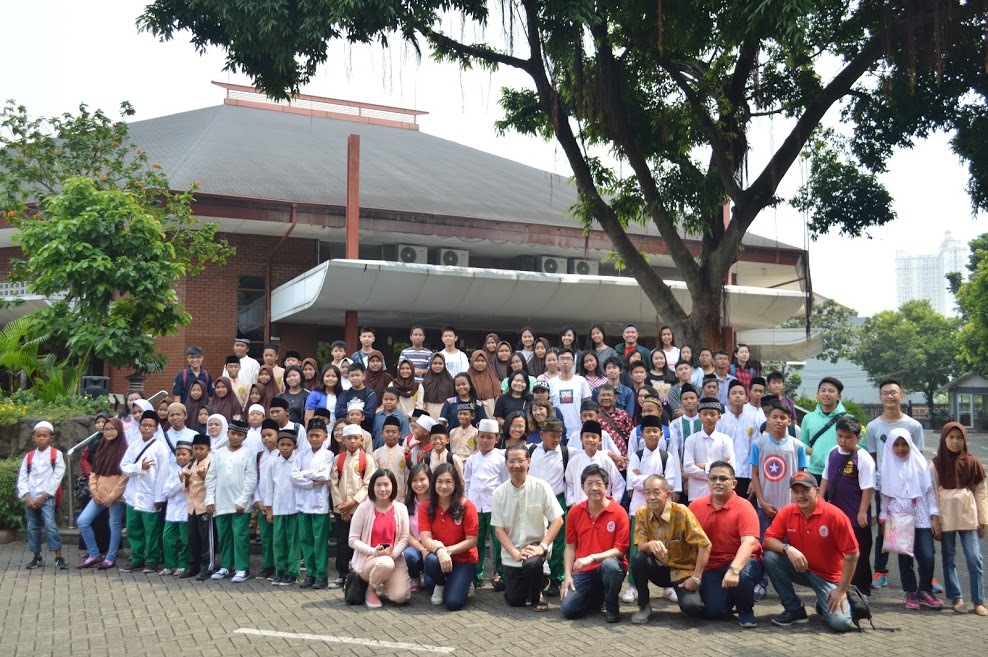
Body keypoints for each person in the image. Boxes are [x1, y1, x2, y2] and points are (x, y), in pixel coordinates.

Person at [762, 471, 858, 631]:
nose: (800, 495)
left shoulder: (835, 516)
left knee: (840, 624)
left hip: (829, 578)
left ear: (817, 491)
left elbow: (852, 554)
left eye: (805, 490)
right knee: (771, 557)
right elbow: (767, 540)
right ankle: (794, 610)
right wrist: (787, 548)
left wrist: (841, 590)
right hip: (802, 569)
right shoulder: (787, 512)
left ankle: (824, 602)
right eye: (796, 491)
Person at [865, 378, 925, 588]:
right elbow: (872, 459)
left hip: (910, 489)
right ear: (880, 397)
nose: (890, 396)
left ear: (902, 395)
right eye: (885, 393)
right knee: (884, 528)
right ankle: (880, 571)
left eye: (893, 392)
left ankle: (924, 572)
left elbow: (919, 458)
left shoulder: (913, 425)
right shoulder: (873, 427)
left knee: (913, 529)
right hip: (885, 488)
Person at [689, 462, 763, 627]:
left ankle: (746, 610)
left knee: (742, 576)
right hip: (712, 566)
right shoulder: (695, 506)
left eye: (723, 479)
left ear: (734, 483)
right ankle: (731, 597)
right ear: (708, 481)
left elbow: (749, 543)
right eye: (713, 478)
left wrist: (734, 570)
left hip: (743, 561)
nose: (718, 482)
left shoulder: (744, 507)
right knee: (714, 613)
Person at [492, 442, 565, 611]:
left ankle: (537, 591)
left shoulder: (542, 487)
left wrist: (543, 547)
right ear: (506, 464)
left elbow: (557, 520)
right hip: (512, 553)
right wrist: (516, 554)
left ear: (529, 462)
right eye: (511, 461)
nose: (516, 465)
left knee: (532, 565)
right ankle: (534, 582)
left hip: (535, 548)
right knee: (515, 600)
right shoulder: (498, 493)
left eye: (520, 460)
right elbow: (499, 529)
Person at [629, 474, 710, 624]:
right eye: (647, 492)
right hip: (660, 569)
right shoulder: (642, 513)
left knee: (693, 608)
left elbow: (705, 544)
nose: (651, 497)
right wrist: (649, 545)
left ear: (668, 494)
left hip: (683, 571)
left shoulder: (681, 512)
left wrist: (696, 578)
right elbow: (640, 545)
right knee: (638, 559)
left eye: (656, 492)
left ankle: (695, 594)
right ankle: (644, 607)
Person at [880, 428, 944, 610]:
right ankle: (910, 592)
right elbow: (884, 496)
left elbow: (930, 492)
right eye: (897, 444)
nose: (901, 448)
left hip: (921, 516)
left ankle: (925, 590)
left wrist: (934, 516)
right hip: (898, 518)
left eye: (904, 444)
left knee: (927, 555)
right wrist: (883, 519)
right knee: (905, 558)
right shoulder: (887, 467)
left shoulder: (920, 464)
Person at [749, 400, 807, 599]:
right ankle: (762, 583)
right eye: (774, 417)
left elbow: (802, 478)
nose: (779, 421)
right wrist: (762, 502)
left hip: (789, 508)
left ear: (790, 420)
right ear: (768, 418)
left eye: (783, 418)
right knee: (764, 545)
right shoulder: (759, 444)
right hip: (765, 506)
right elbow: (755, 475)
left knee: (788, 546)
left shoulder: (797, 445)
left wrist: (795, 505)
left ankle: (787, 585)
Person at [560, 463, 630, 622]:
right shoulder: (574, 512)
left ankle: (611, 603)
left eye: (598, 484)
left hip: (608, 567)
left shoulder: (619, 512)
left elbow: (620, 550)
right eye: (589, 484)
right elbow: (570, 547)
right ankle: (596, 597)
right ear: (582, 487)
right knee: (567, 609)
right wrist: (567, 575)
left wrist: (592, 557)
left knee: (610, 565)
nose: (594, 488)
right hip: (584, 571)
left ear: (606, 487)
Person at [623, 415, 681, 605]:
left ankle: (668, 586)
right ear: (642, 434)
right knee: (636, 549)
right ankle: (632, 587)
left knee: (665, 546)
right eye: (648, 431)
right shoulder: (636, 456)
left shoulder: (667, 456)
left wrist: (645, 479)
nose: (652, 434)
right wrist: (658, 480)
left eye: (655, 431)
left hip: (663, 510)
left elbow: (670, 482)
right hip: (638, 509)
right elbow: (632, 480)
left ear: (661, 433)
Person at [931, 422, 988, 615]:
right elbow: (931, 493)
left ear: (964, 440)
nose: (955, 442)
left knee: (974, 558)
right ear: (944, 439)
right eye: (951, 437)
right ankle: (956, 598)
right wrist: (935, 519)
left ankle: (979, 601)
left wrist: (983, 519)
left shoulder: (972, 462)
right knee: (948, 558)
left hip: (968, 516)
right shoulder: (936, 463)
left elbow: (981, 493)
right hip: (946, 517)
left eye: (959, 438)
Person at [820, 416, 876, 598]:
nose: (843, 441)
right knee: (836, 550)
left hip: (855, 514)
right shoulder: (833, 452)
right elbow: (826, 478)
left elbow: (868, 487)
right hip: (836, 512)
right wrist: (820, 500)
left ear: (858, 438)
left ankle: (863, 588)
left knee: (859, 551)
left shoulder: (863, 457)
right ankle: (839, 583)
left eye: (848, 437)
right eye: (840, 436)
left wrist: (862, 512)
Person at [420, 463, 481, 610]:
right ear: (434, 483)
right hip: (439, 558)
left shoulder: (466, 506)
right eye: (439, 481)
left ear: (456, 484)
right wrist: (440, 551)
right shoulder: (426, 506)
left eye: (448, 482)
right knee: (431, 563)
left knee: (453, 603)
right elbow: (425, 538)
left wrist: (447, 550)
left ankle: (467, 582)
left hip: (464, 559)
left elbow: (472, 540)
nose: (444, 486)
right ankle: (441, 584)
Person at [349, 468, 412, 608]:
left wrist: (394, 554)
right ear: (372, 487)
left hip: (393, 558)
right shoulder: (364, 508)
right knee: (385, 563)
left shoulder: (401, 509)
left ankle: (383, 580)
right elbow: (352, 540)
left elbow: (404, 538)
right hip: (369, 560)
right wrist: (374, 552)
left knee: (401, 597)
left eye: (386, 484)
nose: (382, 489)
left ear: (393, 486)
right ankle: (371, 589)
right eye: (378, 485)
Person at [205, 418, 258, 584]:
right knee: (224, 536)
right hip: (221, 502)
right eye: (233, 433)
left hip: (239, 505)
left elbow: (251, 479)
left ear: (244, 437)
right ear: (228, 434)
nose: (235, 437)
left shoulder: (248, 453)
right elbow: (211, 477)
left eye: (240, 435)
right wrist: (209, 499)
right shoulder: (218, 453)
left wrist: (243, 500)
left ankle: (242, 568)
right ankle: (226, 566)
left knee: (240, 536)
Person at [76, 418, 129, 570]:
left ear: (119, 430)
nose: (109, 432)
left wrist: (113, 496)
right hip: (98, 494)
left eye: (112, 429)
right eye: (106, 429)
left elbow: (124, 477)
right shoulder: (101, 447)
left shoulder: (124, 449)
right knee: (83, 521)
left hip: (116, 497)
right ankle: (94, 554)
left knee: (114, 525)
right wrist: (93, 490)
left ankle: (110, 558)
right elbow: (94, 472)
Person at [120, 411, 170, 573]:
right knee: (134, 528)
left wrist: (159, 497)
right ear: (139, 427)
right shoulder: (134, 444)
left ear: (156, 429)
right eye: (144, 425)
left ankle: (153, 559)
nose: (146, 428)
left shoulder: (160, 447)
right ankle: (137, 558)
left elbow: (163, 474)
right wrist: (138, 468)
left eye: (150, 426)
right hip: (133, 495)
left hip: (151, 495)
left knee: (152, 530)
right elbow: (124, 466)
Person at [328, 423, 376, 589]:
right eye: (349, 438)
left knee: (360, 542)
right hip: (342, 510)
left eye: (356, 438)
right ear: (343, 440)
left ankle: (358, 574)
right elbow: (333, 484)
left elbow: (368, 484)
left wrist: (352, 503)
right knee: (342, 541)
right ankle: (342, 574)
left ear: (362, 439)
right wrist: (341, 506)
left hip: (359, 509)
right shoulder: (338, 459)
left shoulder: (367, 459)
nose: (353, 441)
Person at [464, 418, 508, 590]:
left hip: (494, 506)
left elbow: (505, 482)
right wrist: (467, 503)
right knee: (477, 541)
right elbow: (467, 482)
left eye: (489, 437)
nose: (485, 440)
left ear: (496, 439)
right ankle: (477, 574)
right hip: (475, 506)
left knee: (498, 542)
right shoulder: (472, 460)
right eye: (482, 437)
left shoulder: (501, 458)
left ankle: (501, 574)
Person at [17, 421, 67, 571]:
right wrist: (26, 497)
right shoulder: (30, 456)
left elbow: (57, 477)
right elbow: (23, 477)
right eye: (38, 436)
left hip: (47, 497)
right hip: (30, 498)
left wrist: (44, 496)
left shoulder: (56, 454)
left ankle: (58, 556)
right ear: (33, 437)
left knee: (50, 525)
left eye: (45, 436)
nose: (41, 438)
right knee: (32, 526)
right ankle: (36, 556)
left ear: (51, 437)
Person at [528, 417, 569, 597]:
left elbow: (591, 452)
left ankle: (556, 579)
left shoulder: (567, 452)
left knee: (558, 542)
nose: (557, 439)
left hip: (556, 500)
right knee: (535, 537)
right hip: (534, 500)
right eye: (552, 435)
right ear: (542, 434)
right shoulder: (531, 450)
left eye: (559, 435)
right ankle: (537, 576)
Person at [296, 417, 333, 589]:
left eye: (318, 435)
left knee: (319, 542)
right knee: (306, 540)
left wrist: (305, 474)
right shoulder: (301, 454)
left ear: (325, 436)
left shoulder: (328, 455)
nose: (314, 438)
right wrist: (311, 481)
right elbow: (293, 477)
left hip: (320, 506)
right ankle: (310, 573)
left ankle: (321, 575)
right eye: (311, 435)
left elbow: (325, 475)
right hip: (303, 504)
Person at [265, 428, 302, 586]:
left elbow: (301, 485)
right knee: (278, 541)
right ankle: (280, 570)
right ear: (278, 446)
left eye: (289, 444)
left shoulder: (299, 461)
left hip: (294, 508)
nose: (285, 447)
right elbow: (269, 486)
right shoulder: (273, 463)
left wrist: (300, 507)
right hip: (278, 507)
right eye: (282, 444)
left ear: (295, 446)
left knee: (293, 541)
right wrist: (269, 509)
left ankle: (292, 572)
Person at [682, 397, 735, 502]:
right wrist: (715, 469)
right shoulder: (691, 440)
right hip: (697, 495)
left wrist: (702, 466)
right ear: (699, 416)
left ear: (719, 417)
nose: (709, 417)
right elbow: (688, 468)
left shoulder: (726, 440)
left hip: (720, 494)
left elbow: (731, 467)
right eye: (705, 414)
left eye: (713, 414)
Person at [715, 380, 760, 498]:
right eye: (734, 393)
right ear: (728, 398)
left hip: (745, 474)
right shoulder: (720, 421)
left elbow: (754, 451)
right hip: (725, 473)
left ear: (746, 398)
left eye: (741, 393)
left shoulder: (752, 421)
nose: (737, 396)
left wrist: (753, 479)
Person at [564, 420, 625, 507]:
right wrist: (573, 504)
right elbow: (569, 484)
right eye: (587, 436)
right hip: (580, 508)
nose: (590, 440)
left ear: (600, 440)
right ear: (581, 439)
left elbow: (619, 483)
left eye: (594, 437)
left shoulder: (606, 460)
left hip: (603, 508)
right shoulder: (574, 461)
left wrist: (612, 503)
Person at [180, 433, 214, 580]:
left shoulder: (211, 464)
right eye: (195, 448)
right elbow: (185, 488)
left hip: (205, 506)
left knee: (207, 540)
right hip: (192, 507)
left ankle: (207, 567)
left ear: (209, 449)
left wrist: (203, 476)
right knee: (193, 538)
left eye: (201, 448)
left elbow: (213, 485)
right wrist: (186, 478)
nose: (198, 451)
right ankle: (193, 565)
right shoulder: (190, 464)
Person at [801, 377, 848, 480]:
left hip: (841, 473)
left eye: (831, 391)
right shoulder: (808, 418)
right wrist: (812, 451)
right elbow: (801, 442)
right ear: (818, 394)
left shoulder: (849, 419)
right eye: (823, 390)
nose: (826, 394)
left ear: (839, 396)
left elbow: (860, 446)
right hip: (814, 472)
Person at [159, 440, 191, 576]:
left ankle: (183, 565)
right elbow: (166, 491)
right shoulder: (174, 471)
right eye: (178, 455)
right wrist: (180, 482)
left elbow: (187, 489)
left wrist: (181, 483)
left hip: (185, 510)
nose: (181, 457)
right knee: (167, 537)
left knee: (185, 539)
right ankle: (170, 565)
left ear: (191, 455)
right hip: (172, 511)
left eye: (184, 454)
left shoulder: (192, 470)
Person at [550, 349, 592, 446]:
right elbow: (549, 406)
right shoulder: (551, 383)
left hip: (578, 429)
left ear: (573, 362)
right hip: (557, 430)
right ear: (557, 362)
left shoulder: (581, 381)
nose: (565, 361)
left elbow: (587, 404)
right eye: (562, 359)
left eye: (568, 359)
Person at [403, 462, 433, 591]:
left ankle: (430, 572)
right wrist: (422, 549)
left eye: (422, 479)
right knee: (408, 554)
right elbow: (407, 534)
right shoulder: (407, 504)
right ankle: (414, 576)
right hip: (416, 548)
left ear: (430, 480)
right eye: (415, 480)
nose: (419, 484)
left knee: (431, 584)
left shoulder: (437, 503)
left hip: (434, 548)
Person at [335, 363, 378, 434]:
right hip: (346, 433)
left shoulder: (370, 394)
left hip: (365, 432)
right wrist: (359, 414)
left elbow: (369, 415)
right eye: (352, 376)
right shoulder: (344, 394)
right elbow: (338, 412)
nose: (355, 378)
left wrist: (350, 414)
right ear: (348, 377)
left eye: (357, 375)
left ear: (364, 376)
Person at [374, 416, 409, 494]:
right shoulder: (376, 454)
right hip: (381, 494)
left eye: (394, 432)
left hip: (400, 496)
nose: (390, 435)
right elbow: (374, 477)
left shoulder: (404, 453)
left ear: (400, 434)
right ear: (382, 434)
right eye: (387, 431)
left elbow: (407, 476)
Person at [420, 352, 456, 419]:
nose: (437, 366)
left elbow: (453, 400)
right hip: (428, 412)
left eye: (440, 363)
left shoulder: (450, 381)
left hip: (446, 413)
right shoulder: (426, 381)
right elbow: (422, 400)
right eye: (435, 363)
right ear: (431, 364)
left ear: (444, 364)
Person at [467, 349, 501, 418]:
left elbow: (497, 400)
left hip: (490, 412)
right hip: (471, 412)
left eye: (483, 361)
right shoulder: (467, 378)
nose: (480, 363)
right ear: (472, 361)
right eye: (477, 361)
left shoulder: (493, 379)